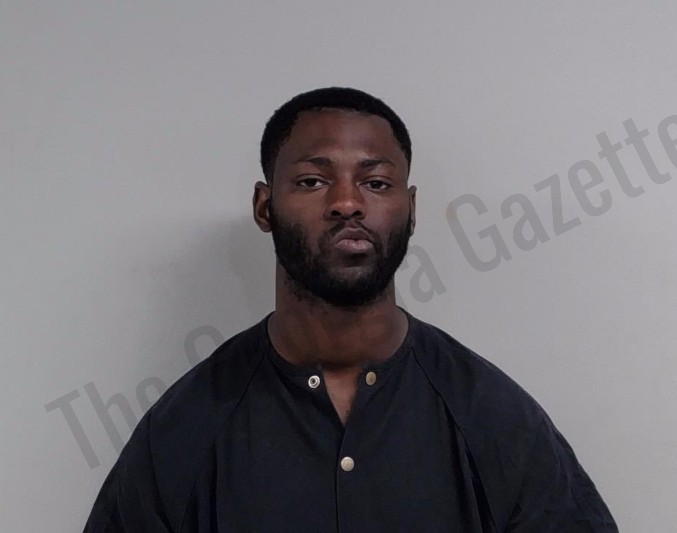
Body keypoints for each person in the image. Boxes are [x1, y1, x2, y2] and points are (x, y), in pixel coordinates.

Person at [84, 87, 617, 532]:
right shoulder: (185, 428)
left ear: (411, 210)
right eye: (312, 181)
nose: (347, 202)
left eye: (376, 183)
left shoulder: (494, 419)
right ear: (264, 207)